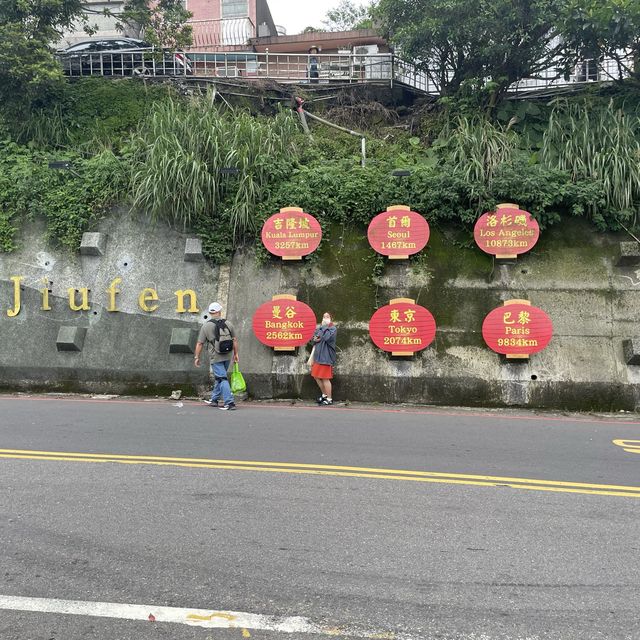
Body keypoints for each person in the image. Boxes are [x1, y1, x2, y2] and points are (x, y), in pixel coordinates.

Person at [194, 302, 239, 411]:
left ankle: (229, 402)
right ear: (219, 311)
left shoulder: (206, 326)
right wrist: (236, 354)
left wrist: (196, 357)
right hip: (228, 354)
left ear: (210, 312)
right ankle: (214, 400)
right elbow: (235, 340)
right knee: (220, 377)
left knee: (222, 378)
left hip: (216, 356)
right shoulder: (228, 323)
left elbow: (200, 343)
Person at [310, 311, 337, 405]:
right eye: (323, 316)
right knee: (316, 376)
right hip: (317, 356)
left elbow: (326, 338)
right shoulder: (320, 328)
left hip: (326, 357)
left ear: (331, 319)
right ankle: (324, 394)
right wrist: (314, 339)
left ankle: (329, 399)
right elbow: (313, 339)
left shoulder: (332, 328)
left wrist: (324, 327)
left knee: (325, 378)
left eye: (327, 316)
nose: (325, 318)